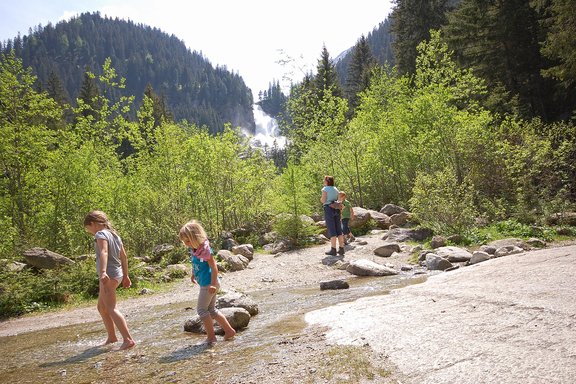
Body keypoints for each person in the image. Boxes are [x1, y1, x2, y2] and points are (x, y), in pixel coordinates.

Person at [84, 210, 136, 350]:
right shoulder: (115, 235)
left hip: (109, 275)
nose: (89, 232)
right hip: (117, 275)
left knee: (111, 308)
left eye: (88, 229)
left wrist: (102, 272)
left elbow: (104, 252)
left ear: (93, 224)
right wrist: (125, 276)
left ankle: (128, 339)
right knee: (102, 307)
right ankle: (112, 337)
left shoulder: (100, 234)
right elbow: (124, 257)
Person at [179, 220, 237, 344]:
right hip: (206, 283)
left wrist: (212, 284)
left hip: (209, 284)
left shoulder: (205, 250)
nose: (186, 244)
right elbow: (196, 263)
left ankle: (211, 337)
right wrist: (193, 273)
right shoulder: (195, 249)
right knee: (211, 310)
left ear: (195, 237)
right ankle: (229, 331)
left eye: (187, 241)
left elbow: (214, 267)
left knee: (201, 310)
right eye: (184, 242)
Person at [320, 175, 345, 256]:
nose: (323, 181)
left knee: (332, 229)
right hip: (336, 208)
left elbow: (323, 200)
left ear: (327, 181)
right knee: (338, 229)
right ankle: (341, 249)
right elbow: (338, 199)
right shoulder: (335, 189)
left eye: (324, 180)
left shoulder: (325, 189)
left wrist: (321, 199)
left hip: (328, 209)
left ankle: (333, 250)